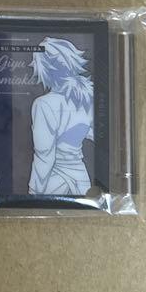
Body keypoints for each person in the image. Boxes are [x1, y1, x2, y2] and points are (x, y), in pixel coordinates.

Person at [28, 38, 94, 196]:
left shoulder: (44, 104)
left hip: (54, 179)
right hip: (82, 178)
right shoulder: (87, 97)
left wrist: (34, 190)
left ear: (43, 68)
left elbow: (44, 155)